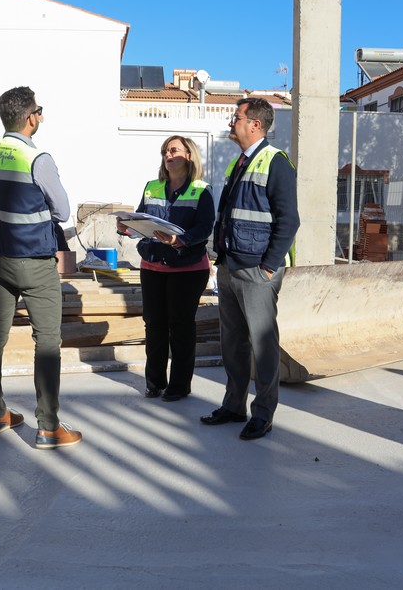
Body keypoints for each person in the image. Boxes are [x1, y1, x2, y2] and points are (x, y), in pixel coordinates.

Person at [0, 86, 82, 449]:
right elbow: (63, 211)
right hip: (33, 260)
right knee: (48, 341)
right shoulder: (38, 159)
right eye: (40, 110)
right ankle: (49, 426)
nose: (41, 116)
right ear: (30, 116)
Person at [200, 97, 300, 440]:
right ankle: (233, 405)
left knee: (262, 344)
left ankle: (263, 413)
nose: (232, 123)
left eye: (236, 118)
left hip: (258, 269)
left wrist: (270, 267)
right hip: (230, 265)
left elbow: (289, 220)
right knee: (233, 343)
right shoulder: (238, 163)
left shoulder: (276, 162)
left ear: (255, 124)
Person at [118, 136, 214, 402]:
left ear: (189, 156)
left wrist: (179, 240)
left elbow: (205, 228)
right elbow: (140, 218)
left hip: (188, 269)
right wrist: (127, 228)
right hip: (153, 266)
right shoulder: (152, 187)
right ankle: (155, 382)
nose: (167, 155)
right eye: (164, 151)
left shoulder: (201, 190)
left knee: (181, 327)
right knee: (154, 326)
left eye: (173, 150)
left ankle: (179, 385)